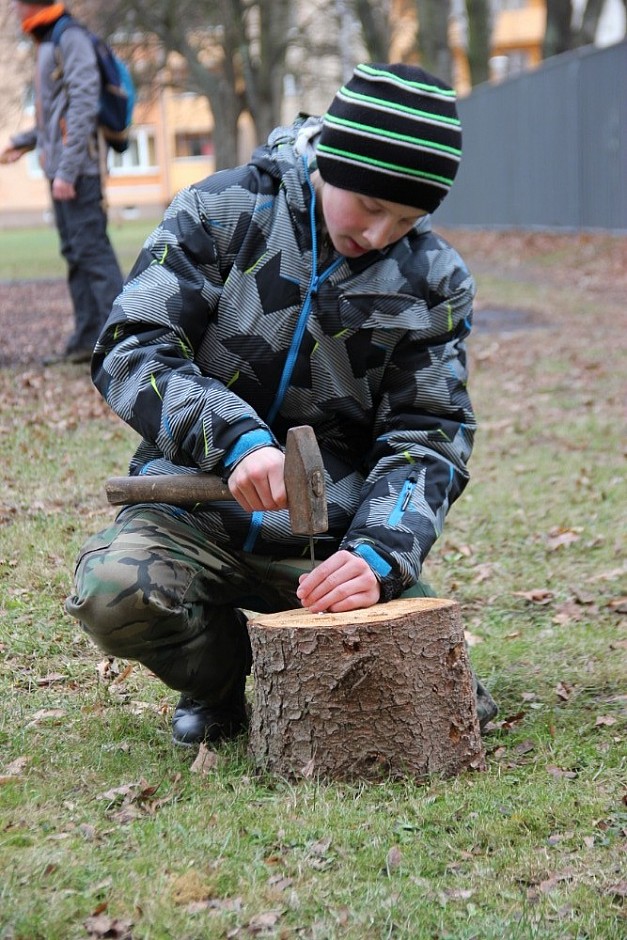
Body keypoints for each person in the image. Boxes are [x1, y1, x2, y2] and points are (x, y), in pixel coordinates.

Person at [66, 62, 498, 745]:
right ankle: (219, 682)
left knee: (447, 699)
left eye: (406, 218)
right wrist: (233, 437)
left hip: (328, 537)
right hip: (194, 513)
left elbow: (429, 432)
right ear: (332, 161)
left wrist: (379, 554)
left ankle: (310, 635)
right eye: (370, 205)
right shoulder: (220, 212)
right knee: (114, 591)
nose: (381, 233)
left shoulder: (431, 279)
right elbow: (132, 346)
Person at [1, 0, 123, 365]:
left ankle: (123, 345)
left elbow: (84, 104)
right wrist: (21, 143)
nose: (12, 11)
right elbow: (54, 115)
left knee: (93, 254)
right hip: (62, 169)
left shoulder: (70, 37)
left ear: (28, 6)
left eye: (15, 4)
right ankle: (87, 339)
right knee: (75, 254)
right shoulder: (49, 38)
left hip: (79, 170)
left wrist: (68, 171)